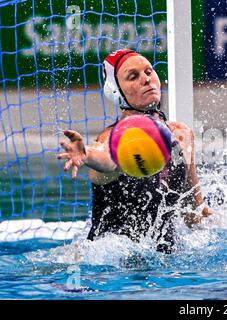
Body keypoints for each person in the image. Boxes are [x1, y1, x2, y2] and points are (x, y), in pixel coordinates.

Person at [57, 49, 211, 253]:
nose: (146, 80)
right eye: (133, 76)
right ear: (115, 91)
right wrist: (87, 154)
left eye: (149, 72)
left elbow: (193, 212)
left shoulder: (182, 134)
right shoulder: (113, 138)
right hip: (112, 268)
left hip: (167, 264)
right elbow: (108, 158)